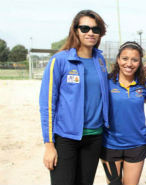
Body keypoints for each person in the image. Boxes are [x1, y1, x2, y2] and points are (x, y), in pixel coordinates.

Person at [39, 10, 109, 185]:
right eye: (85, 28)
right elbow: (47, 104)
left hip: (94, 137)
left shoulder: (100, 61)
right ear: (75, 30)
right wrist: (49, 145)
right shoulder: (60, 60)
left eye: (95, 29)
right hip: (66, 138)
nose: (90, 33)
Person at [100, 41, 146, 185]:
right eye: (125, 59)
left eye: (134, 60)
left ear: (139, 62)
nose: (129, 64)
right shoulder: (106, 82)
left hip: (136, 145)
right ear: (118, 59)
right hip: (110, 145)